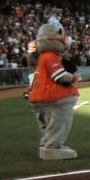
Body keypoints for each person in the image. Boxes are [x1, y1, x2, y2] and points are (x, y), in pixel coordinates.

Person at [28, 18, 81, 160]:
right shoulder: (50, 56)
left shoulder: (43, 58)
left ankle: (46, 145)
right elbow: (60, 76)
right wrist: (74, 77)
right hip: (52, 98)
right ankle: (53, 148)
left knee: (46, 124)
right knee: (58, 122)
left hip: (39, 98)